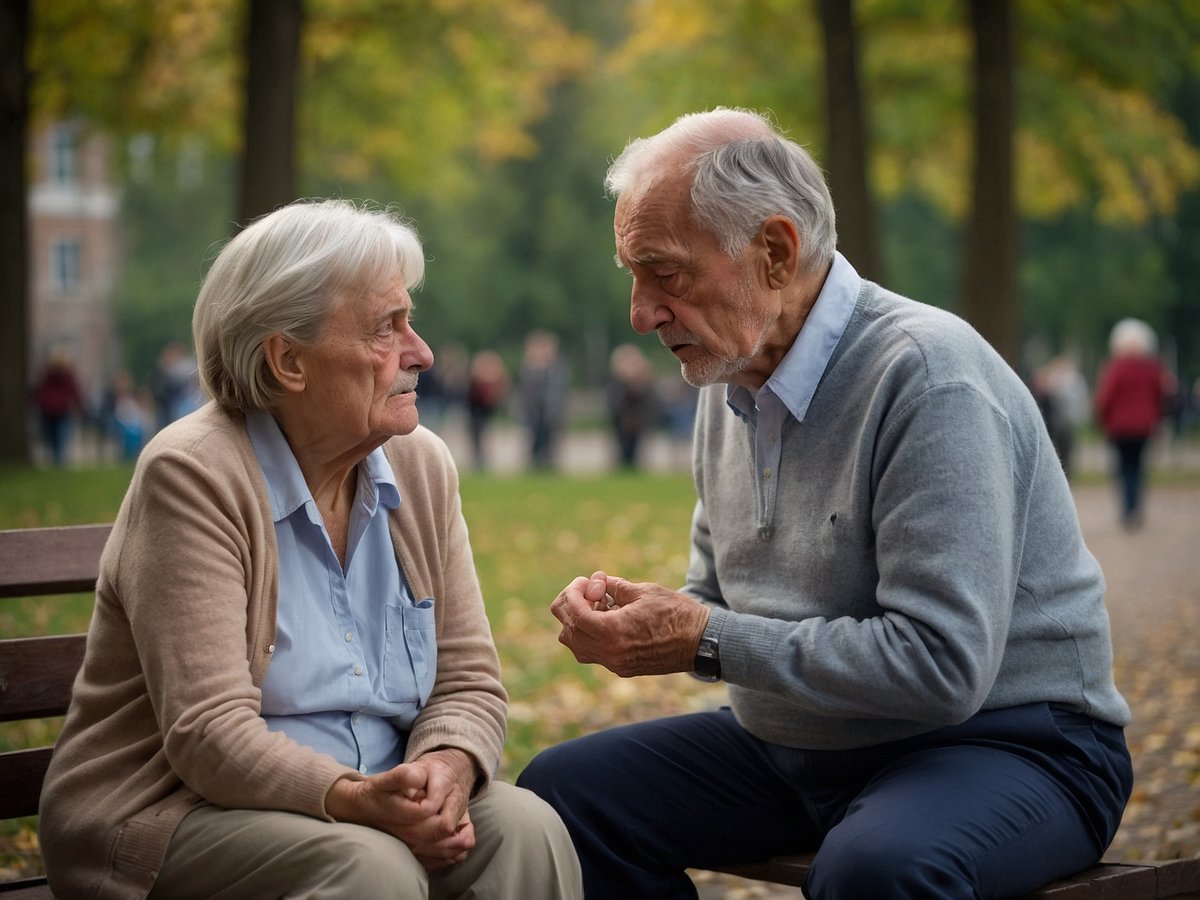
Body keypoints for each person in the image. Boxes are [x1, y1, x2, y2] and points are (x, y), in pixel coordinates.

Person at [517, 109, 1132, 900]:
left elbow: (941, 667)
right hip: (803, 745)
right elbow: (721, 598)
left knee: (877, 869)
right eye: (632, 276)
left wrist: (702, 636)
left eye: (665, 273)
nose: (641, 313)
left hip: (1010, 745)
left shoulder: (927, 376)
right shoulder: (728, 375)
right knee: (562, 798)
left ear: (775, 252)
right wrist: (649, 619)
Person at [38, 199, 581, 900]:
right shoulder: (193, 474)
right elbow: (209, 734)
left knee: (529, 828)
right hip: (179, 810)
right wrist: (355, 798)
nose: (421, 353)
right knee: (368, 867)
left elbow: (467, 681)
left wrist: (445, 768)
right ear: (288, 360)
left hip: (376, 793)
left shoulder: (420, 466)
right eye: (387, 328)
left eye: (410, 321)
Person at [1094, 318, 1172, 530]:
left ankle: (1128, 509)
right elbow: (1161, 396)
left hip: (1119, 427)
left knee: (1124, 467)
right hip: (1144, 426)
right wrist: (1158, 420)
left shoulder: (1115, 368)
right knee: (1138, 467)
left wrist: (1100, 420)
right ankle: (1136, 507)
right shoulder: (1153, 368)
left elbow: (1105, 397)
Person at [515, 329, 570, 469]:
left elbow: (558, 391)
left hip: (550, 413)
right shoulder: (527, 370)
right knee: (533, 443)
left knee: (550, 444)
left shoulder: (556, 369)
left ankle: (548, 464)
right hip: (533, 414)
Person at [606, 342, 660, 469]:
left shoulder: (644, 379)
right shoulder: (617, 380)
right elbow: (616, 402)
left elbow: (650, 400)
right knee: (623, 450)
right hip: (622, 421)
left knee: (636, 452)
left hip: (638, 422)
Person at [34, 347, 86, 466]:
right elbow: (75, 391)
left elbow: (39, 391)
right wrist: (81, 407)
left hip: (49, 410)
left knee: (51, 438)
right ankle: (59, 461)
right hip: (62, 410)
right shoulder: (67, 375)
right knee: (61, 437)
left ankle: (55, 460)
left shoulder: (47, 374)